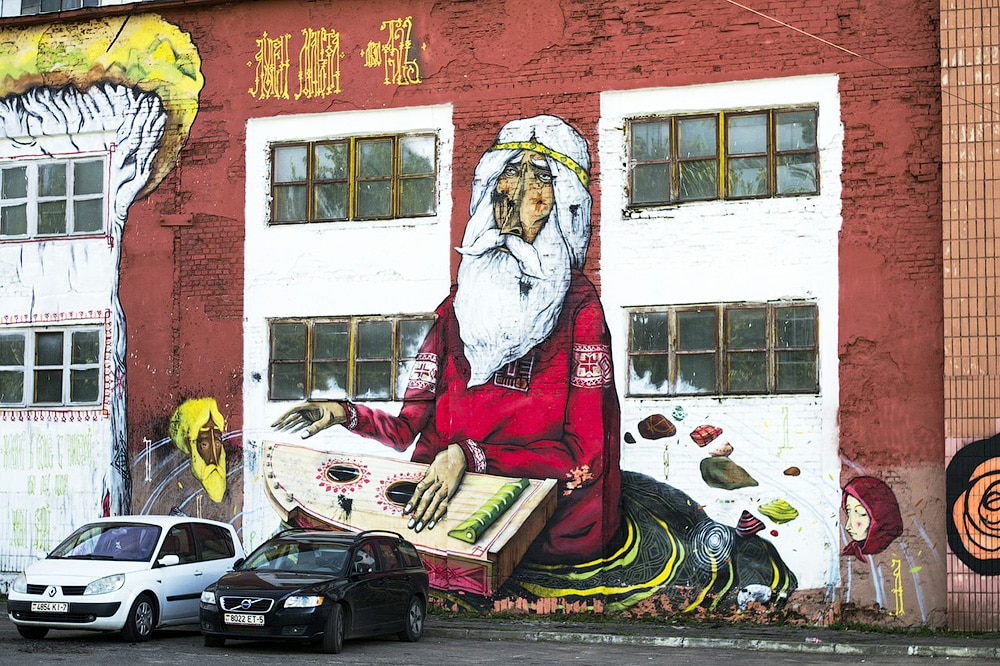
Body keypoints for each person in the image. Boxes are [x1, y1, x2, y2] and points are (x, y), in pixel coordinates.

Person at [273, 115, 621, 565]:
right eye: (511, 171)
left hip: (544, 534)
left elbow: (583, 460)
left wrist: (469, 457)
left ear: (564, 205)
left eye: (541, 177)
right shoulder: (460, 301)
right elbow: (408, 428)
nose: (516, 193)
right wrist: (345, 412)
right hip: (438, 517)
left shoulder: (581, 311)